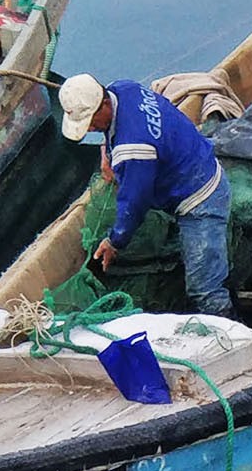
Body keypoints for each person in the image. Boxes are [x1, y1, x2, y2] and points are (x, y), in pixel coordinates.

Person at [57, 71, 234, 317]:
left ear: (104, 104)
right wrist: (108, 151)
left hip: (200, 200)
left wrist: (114, 241)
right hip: (196, 161)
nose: (91, 129)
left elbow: (135, 203)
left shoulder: (134, 149)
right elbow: (120, 130)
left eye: (91, 121)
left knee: (204, 290)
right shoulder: (123, 87)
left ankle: (234, 334)